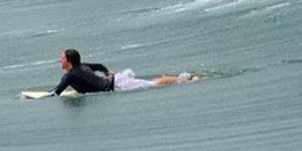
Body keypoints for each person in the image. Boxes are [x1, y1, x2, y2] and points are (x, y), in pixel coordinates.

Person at [48, 48, 199, 96]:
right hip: (116, 80)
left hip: (118, 85)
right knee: (152, 82)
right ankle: (178, 78)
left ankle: (184, 79)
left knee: (155, 83)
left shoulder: (70, 75)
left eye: (62, 58)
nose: (60, 60)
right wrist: (108, 72)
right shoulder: (81, 67)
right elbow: (100, 66)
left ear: (68, 61)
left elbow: (56, 93)